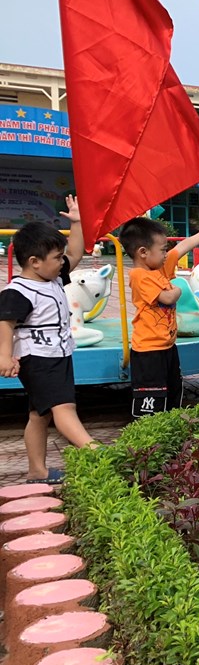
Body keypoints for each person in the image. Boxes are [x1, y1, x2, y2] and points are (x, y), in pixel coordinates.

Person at [0, 197, 97, 481]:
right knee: (63, 407)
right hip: (38, 358)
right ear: (34, 262)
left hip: (57, 354)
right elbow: (5, 324)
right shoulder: (19, 291)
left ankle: (37, 470)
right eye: (57, 258)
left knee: (39, 414)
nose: (62, 262)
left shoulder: (51, 277)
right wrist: (4, 356)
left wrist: (77, 223)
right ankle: (97, 452)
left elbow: (75, 253)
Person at [120, 218, 199, 418]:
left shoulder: (159, 269)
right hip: (149, 350)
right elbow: (167, 298)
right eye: (162, 250)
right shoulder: (139, 275)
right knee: (152, 395)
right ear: (143, 252)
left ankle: (171, 424)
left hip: (166, 345)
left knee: (173, 389)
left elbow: (181, 248)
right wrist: (177, 290)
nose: (166, 254)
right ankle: (147, 431)